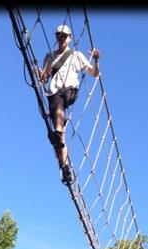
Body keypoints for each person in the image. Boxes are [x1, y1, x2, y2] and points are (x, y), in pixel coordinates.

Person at [39, 24, 100, 184]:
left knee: (59, 112)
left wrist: (96, 60)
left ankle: (57, 133)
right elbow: (44, 78)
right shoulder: (49, 56)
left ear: (70, 37)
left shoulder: (76, 55)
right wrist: (38, 73)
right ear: (56, 36)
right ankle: (65, 166)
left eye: (64, 35)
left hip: (69, 90)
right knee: (61, 137)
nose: (62, 38)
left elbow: (94, 73)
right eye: (59, 35)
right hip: (53, 92)